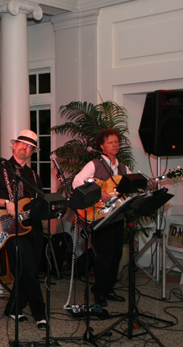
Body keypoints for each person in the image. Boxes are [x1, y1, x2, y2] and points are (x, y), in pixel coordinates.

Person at [0, 129, 47, 330]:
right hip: (9, 227)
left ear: (32, 151)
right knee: (27, 268)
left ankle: (13, 308)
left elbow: (38, 203)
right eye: (21, 144)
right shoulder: (0, 169)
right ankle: (39, 312)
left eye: (29, 146)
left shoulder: (34, 176)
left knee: (28, 270)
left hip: (32, 227)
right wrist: (5, 202)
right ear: (14, 145)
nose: (24, 148)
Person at [72, 128, 130, 307]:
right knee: (104, 256)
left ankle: (109, 288)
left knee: (115, 255)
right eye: (111, 142)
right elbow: (77, 182)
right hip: (100, 216)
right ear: (102, 145)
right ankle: (99, 291)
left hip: (117, 215)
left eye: (116, 142)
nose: (115, 145)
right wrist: (98, 193)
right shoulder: (94, 164)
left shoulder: (123, 167)